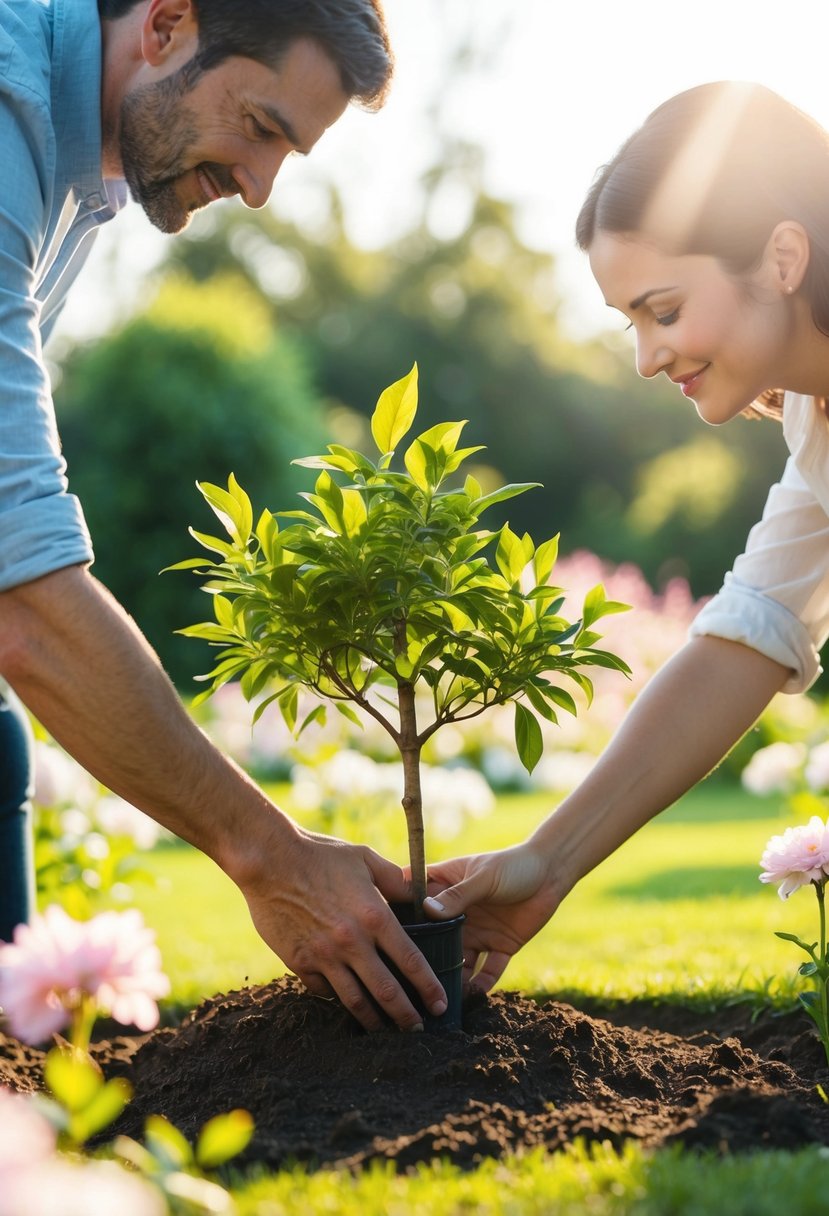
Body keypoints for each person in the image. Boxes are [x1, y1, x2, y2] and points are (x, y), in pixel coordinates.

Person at [0, 0, 451, 1033]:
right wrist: (269, 854)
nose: (258, 187)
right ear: (165, 24)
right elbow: (22, 593)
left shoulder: (81, 173)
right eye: (260, 127)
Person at [423, 80, 829, 993]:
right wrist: (547, 859)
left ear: (781, 257)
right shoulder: (814, 427)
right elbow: (752, 627)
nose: (647, 358)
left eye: (666, 310)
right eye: (632, 322)